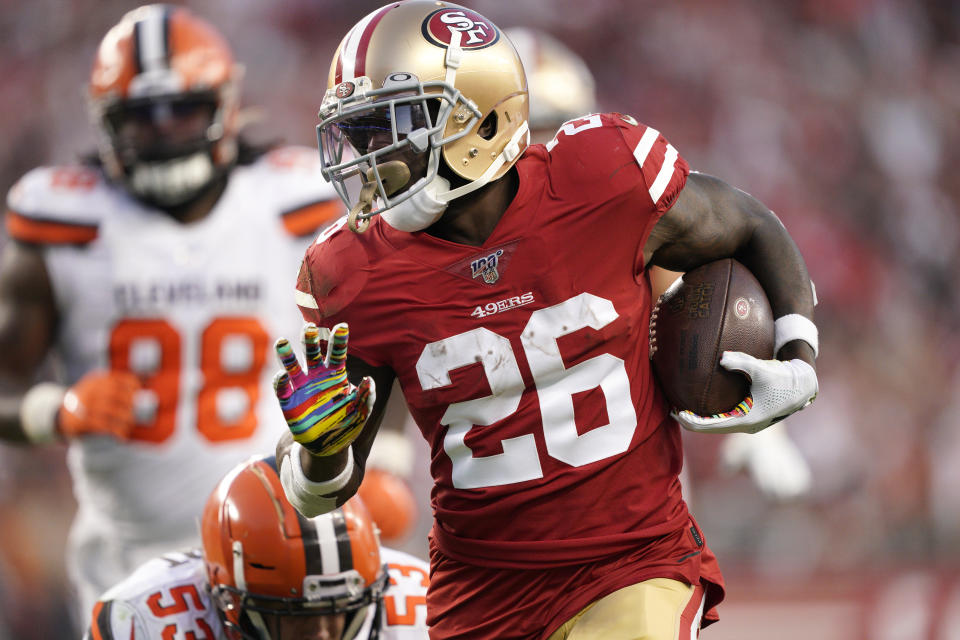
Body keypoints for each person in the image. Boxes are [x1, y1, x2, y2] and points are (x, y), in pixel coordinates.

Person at [273, 2, 819, 638]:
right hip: (480, 592)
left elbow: (750, 223)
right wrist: (316, 453)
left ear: (475, 118)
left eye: (390, 126)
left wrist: (798, 356)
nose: (369, 155)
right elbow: (327, 490)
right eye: (360, 133)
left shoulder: (598, 182)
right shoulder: (354, 271)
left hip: (632, 560)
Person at [0, 4, 342, 627]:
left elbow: (379, 341)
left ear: (226, 105)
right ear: (105, 123)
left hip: (286, 533)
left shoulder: (295, 203)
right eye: (140, 118)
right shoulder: (63, 220)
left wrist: (384, 462)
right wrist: (54, 411)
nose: (163, 131)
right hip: (128, 556)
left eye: (182, 109)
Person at [510, 24, 813, 502]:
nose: (543, 148)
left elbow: (697, 309)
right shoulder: (443, 242)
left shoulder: (613, 216)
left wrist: (757, 404)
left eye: (558, 124)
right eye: (533, 128)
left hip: (630, 488)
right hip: (491, 491)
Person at [85, 455, 429, 639]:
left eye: (337, 610)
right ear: (228, 600)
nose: (321, 635)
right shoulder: (143, 623)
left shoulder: (424, 603)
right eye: (300, 617)